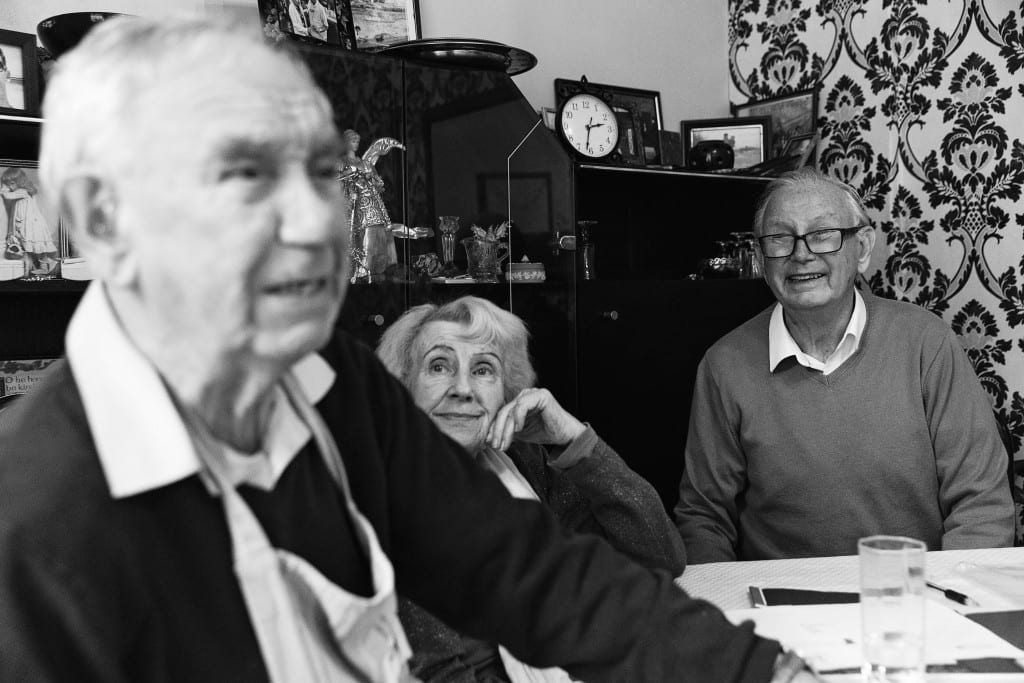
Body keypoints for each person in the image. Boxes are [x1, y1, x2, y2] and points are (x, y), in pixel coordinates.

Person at [0, 15, 821, 683]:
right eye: (246, 176)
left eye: (322, 172)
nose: (314, 224)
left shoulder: (330, 380)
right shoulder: (40, 530)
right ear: (104, 219)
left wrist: (764, 673)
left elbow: (525, 571)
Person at [674, 167, 1015, 563]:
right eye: (781, 238)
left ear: (863, 248)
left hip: (914, 599)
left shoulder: (927, 343)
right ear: (759, 257)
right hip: (780, 610)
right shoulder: (724, 365)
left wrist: (942, 607)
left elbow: (982, 506)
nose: (802, 254)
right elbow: (703, 519)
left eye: (823, 234)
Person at [377, 296, 686, 682]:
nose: (463, 388)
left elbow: (659, 557)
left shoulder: (521, 465)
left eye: (484, 370)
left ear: (506, 394)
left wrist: (574, 442)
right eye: (439, 366)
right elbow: (438, 674)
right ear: (404, 385)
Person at [337, 128, 401, 281]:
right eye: (353, 141)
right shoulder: (340, 163)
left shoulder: (365, 163)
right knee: (360, 232)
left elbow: (377, 181)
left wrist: (376, 182)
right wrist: (349, 179)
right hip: (354, 202)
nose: (356, 144)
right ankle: (360, 266)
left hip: (372, 201)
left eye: (357, 141)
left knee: (376, 229)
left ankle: (376, 264)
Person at [0, 167, 59, 279]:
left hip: (32, 225)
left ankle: (48, 264)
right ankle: (34, 265)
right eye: (8, 184)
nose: (10, 187)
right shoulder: (20, 192)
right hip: (25, 224)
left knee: (38, 248)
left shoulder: (23, 191)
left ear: (20, 182)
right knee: (28, 247)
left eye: (12, 183)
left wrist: (3, 190)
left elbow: (8, 196)